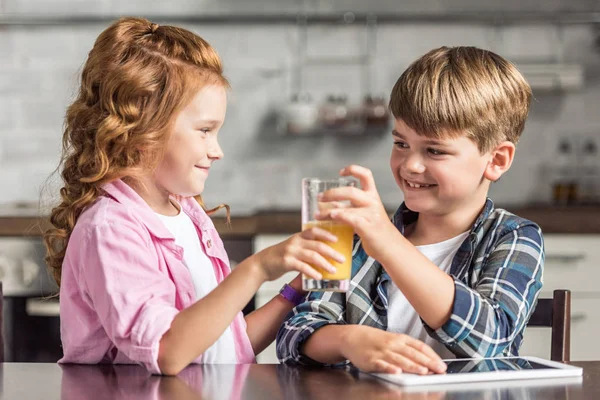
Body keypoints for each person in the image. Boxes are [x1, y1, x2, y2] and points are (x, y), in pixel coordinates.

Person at [43, 16, 345, 376]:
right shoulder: (111, 229)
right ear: (143, 129)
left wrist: (297, 287)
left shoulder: (186, 213)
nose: (217, 150)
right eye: (204, 131)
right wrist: (258, 268)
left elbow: (224, 345)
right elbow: (168, 351)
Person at [277, 46, 544, 376]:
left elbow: (490, 340)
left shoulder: (513, 238)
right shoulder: (360, 241)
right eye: (401, 144)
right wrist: (347, 339)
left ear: (496, 160)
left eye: (434, 150)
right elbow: (294, 336)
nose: (411, 165)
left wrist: (390, 245)